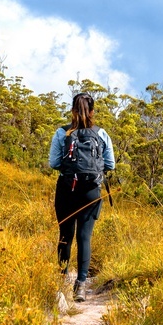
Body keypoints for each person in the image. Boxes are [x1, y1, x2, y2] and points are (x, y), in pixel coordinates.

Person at [48, 93, 115, 302]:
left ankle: (61, 282)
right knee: (84, 237)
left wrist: (71, 168)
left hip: (67, 188)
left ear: (72, 111)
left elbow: (53, 163)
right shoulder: (101, 133)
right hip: (91, 191)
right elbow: (110, 164)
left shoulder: (61, 133)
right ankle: (81, 286)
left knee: (65, 235)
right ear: (93, 111)